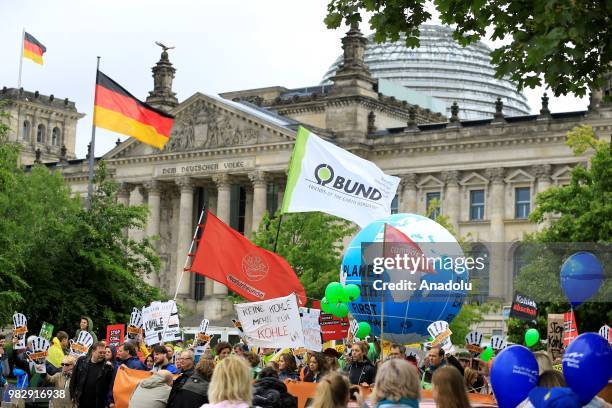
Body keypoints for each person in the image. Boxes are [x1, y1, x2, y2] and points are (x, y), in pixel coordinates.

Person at [69, 341, 114, 408]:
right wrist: (72, 396)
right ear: (93, 351)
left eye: (104, 353)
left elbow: (110, 387)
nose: (102, 354)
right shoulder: (81, 361)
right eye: (100, 352)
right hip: (80, 402)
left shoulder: (107, 367)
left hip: (97, 404)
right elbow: (73, 380)